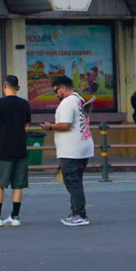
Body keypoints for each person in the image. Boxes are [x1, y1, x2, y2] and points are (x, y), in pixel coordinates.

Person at [0, 75, 32, 227]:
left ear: (4, 86)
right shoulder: (24, 104)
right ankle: (15, 216)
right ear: (18, 87)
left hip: (3, 148)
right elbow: (27, 124)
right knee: (18, 184)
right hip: (20, 148)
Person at [45, 74, 93, 226]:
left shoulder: (67, 103)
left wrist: (50, 126)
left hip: (72, 148)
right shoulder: (80, 99)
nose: (55, 94)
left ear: (63, 88)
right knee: (75, 181)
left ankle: (79, 214)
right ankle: (76, 212)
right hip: (82, 146)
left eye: (56, 91)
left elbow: (65, 125)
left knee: (73, 182)